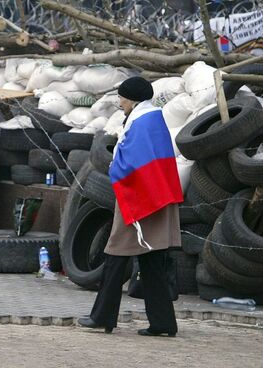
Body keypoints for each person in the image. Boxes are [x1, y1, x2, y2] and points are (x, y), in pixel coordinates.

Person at [77, 77, 183, 337]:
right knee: (152, 262)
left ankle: (102, 317)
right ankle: (163, 323)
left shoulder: (141, 122)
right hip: (157, 197)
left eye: (122, 97)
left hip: (141, 201)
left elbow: (132, 164)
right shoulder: (153, 119)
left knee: (115, 256)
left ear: (133, 98)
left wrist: (114, 167)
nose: (120, 102)